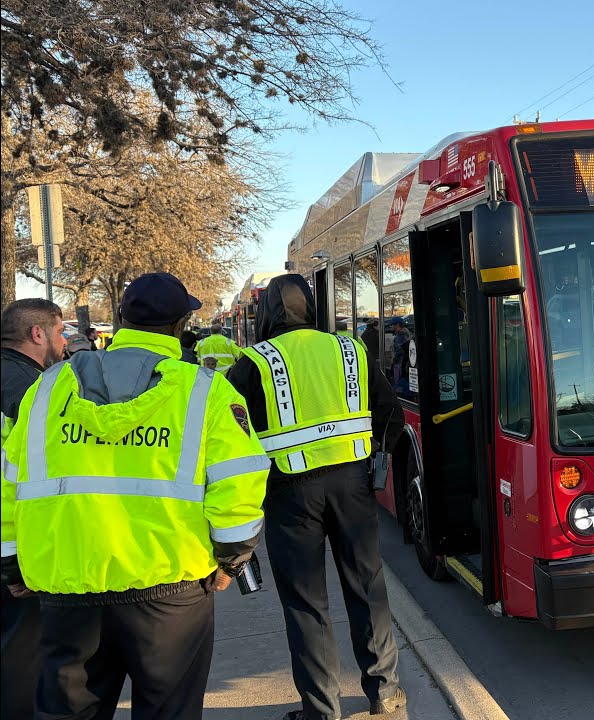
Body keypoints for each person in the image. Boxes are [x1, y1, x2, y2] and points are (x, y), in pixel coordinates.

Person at [0, 273, 270, 720]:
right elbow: (238, 482)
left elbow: (10, 483)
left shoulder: (46, 391)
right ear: (182, 324)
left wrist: (11, 562)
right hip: (170, 594)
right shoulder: (204, 390)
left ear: (122, 318)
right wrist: (232, 560)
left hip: (69, 588)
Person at [227, 275, 407, 720]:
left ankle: (321, 710)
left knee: (307, 604)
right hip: (353, 485)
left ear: (266, 312)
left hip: (288, 494)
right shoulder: (350, 349)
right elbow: (392, 415)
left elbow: (231, 443)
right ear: (312, 306)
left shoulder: (251, 364)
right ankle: (384, 692)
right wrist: (376, 468)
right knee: (368, 587)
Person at [0, 298, 66, 720]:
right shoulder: (31, 389)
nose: (65, 342)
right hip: (15, 537)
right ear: (38, 334)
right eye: (60, 332)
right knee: (21, 654)